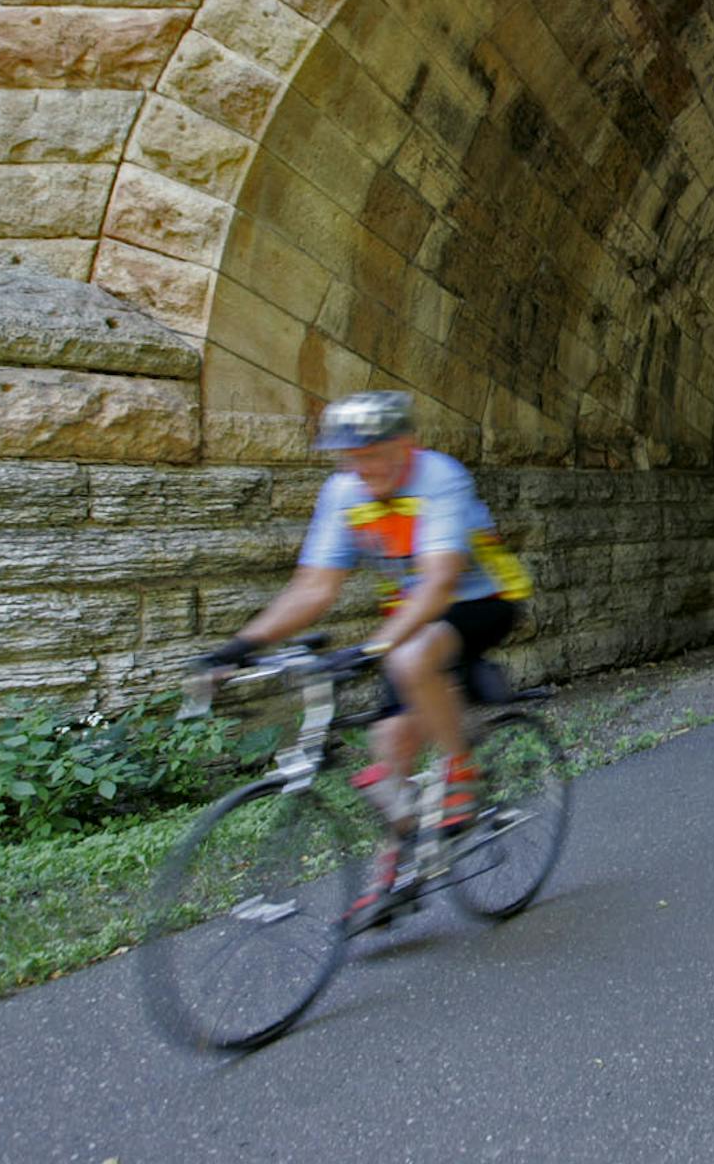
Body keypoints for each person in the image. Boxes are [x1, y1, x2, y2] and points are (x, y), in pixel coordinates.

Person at [200, 390, 534, 927]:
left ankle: (462, 775)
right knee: (387, 748)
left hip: (483, 600)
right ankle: (398, 874)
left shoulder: (438, 478)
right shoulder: (344, 493)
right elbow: (313, 588)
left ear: (407, 444)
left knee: (407, 658)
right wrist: (239, 646)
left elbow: (439, 580)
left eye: (372, 453)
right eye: (347, 457)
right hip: (416, 615)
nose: (360, 468)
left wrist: (377, 646)